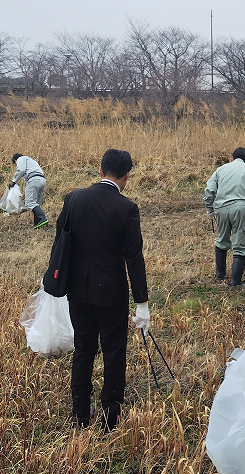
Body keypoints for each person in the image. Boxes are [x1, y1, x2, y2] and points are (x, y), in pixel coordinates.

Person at [60, 149, 149, 430]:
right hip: (111, 292)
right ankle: (110, 417)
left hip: (77, 290)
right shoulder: (127, 208)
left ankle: (80, 414)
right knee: (113, 352)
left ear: (100, 171)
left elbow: (61, 242)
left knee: (83, 349)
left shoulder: (73, 199)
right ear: (127, 176)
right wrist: (142, 303)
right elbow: (134, 257)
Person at [203, 147, 245, 288]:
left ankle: (220, 276)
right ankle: (236, 282)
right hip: (242, 209)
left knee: (222, 240)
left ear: (232, 158)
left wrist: (209, 209)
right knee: (240, 245)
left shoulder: (220, 170)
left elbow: (209, 190)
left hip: (221, 209)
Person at [9, 153, 48, 228]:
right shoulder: (31, 162)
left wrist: (13, 181)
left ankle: (42, 218)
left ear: (15, 160)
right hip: (42, 180)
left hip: (33, 180)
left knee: (30, 202)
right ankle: (38, 223)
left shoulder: (21, 159)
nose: (16, 166)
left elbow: (21, 170)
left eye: (15, 164)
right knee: (36, 203)